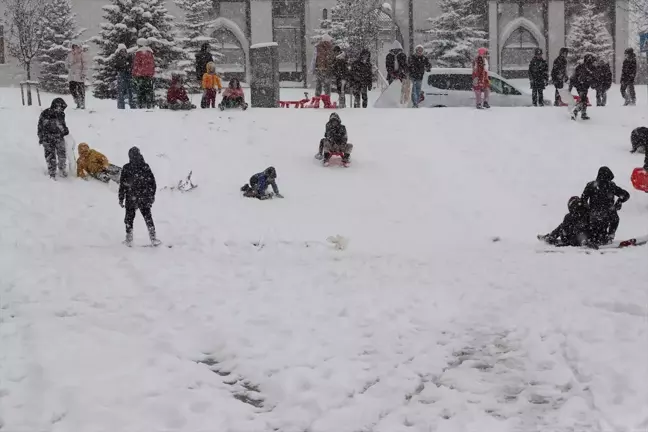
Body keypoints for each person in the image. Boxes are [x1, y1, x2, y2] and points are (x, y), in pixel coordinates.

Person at [118, 147, 159, 246]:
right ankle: (153, 238)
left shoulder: (126, 168)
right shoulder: (145, 166)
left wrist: (121, 198)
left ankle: (129, 239)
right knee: (148, 217)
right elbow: (152, 183)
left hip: (131, 197)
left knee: (129, 218)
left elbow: (122, 185)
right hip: (144, 196)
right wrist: (151, 196)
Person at [581, 166, 630, 244]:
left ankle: (600, 237)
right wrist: (618, 203)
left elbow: (583, 199)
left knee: (598, 230)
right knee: (613, 219)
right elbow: (626, 195)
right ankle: (609, 236)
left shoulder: (592, 185)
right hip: (604, 214)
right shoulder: (609, 186)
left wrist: (587, 209)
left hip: (597, 214)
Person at [38, 98, 70, 180]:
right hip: (47, 138)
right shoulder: (46, 114)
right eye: (60, 107)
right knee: (50, 156)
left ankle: (62, 169)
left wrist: (65, 130)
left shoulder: (61, 114)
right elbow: (40, 126)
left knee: (62, 154)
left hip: (59, 137)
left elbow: (62, 124)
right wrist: (41, 137)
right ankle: (52, 173)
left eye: (62, 108)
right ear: (55, 105)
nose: (61, 109)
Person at [569, 54, 595, 120]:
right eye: (591, 61)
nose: (592, 62)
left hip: (583, 85)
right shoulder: (583, 67)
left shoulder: (587, 67)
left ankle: (583, 113)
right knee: (583, 100)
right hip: (580, 85)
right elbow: (578, 78)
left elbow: (592, 78)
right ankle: (575, 111)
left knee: (584, 99)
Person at [132, 38, 156, 109]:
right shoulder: (150, 53)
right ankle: (150, 104)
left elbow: (136, 65)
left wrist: (134, 73)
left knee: (140, 90)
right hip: (149, 75)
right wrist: (152, 73)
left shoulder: (138, 53)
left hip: (140, 75)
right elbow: (152, 64)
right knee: (149, 90)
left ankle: (140, 105)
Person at [67, 43, 86, 109]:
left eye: (76, 46)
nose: (74, 48)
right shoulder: (70, 54)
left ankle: (82, 103)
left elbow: (85, 64)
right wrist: (68, 66)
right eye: (73, 47)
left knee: (81, 90)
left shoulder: (82, 54)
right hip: (72, 75)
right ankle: (77, 102)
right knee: (72, 89)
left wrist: (83, 73)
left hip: (79, 74)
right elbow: (66, 63)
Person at [115, 44, 134, 109]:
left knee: (130, 91)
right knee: (121, 91)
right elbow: (116, 66)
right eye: (121, 51)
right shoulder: (117, 57)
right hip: (121, 74)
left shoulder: (129, 56)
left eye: (124, 51)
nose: (123, 52)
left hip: (128, 74)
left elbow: (132, 64)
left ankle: (132, 106)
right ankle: (121, 107)